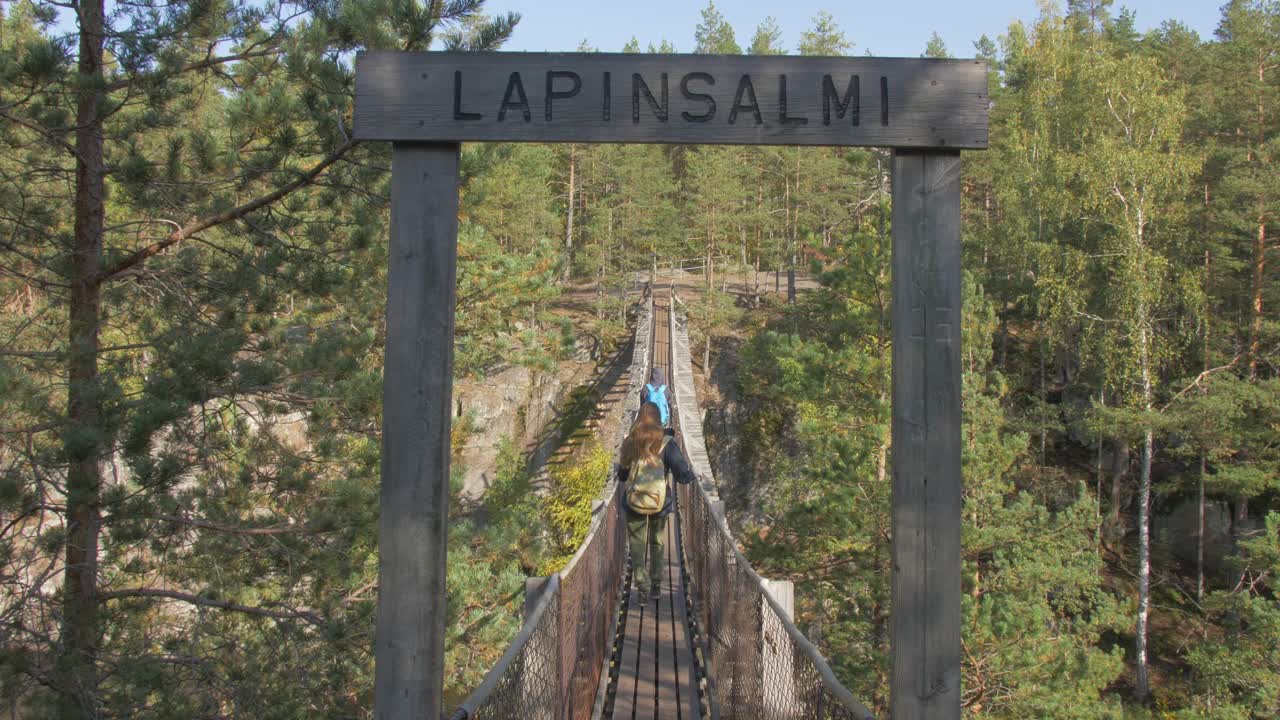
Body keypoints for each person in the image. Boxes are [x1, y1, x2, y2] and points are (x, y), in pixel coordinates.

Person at [619, 402, 694, 602]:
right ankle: (655, 586)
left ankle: (642, 590)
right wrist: (691, 476)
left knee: (637, 545)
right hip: (660, 503)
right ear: (659, 418)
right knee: (657, 542)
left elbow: (622, 475)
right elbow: (682, 475)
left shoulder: (631, 441)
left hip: (634, 502)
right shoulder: (667, 442)